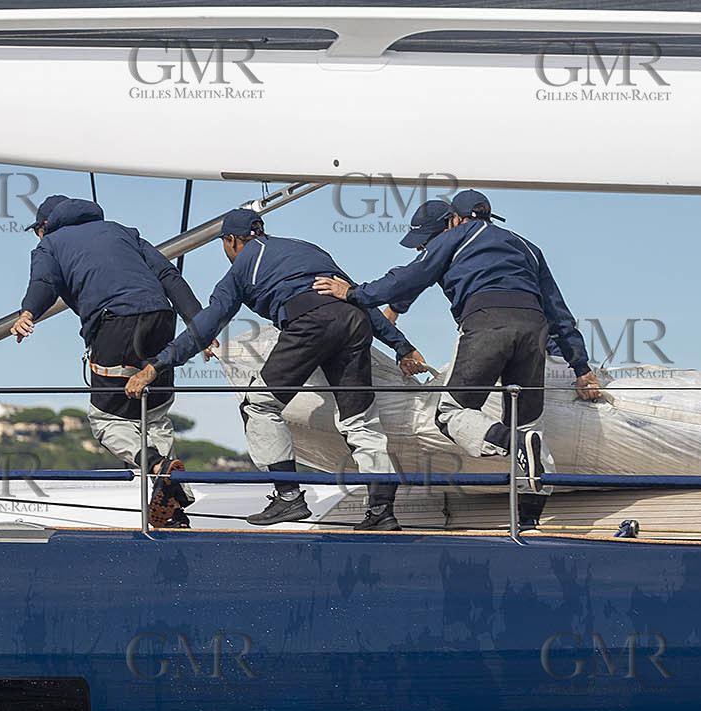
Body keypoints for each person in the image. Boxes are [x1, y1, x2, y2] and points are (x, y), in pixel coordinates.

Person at [312, 190, 602, 527]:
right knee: (529, 426)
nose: (424, 247)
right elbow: (560, 314)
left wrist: (353, 293)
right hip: (534, 328)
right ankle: (528, 521)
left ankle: (514, 442)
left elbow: (411, 275)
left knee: (450, 414)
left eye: (426, 240)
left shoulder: (457, 234)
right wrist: (582, 369)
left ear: (454, 220)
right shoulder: (527, 248)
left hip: (486, 322)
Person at [125, 208, 421, 531]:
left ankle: (288, 496)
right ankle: (381, 510)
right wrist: (401, 346)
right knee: (359, 421)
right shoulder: (308, 250)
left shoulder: (243, 266)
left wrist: (159, 364)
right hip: (354, 323)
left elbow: (207, 323)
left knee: (259, 403)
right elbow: (355, 298)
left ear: (231, 240)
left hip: (311, 324)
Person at [9, 193, 205, 528]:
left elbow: (44, 282)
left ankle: (157, 467)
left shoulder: (51, 244)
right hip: (162, 319)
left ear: (45, 225)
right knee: (154, 415)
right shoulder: (122, 231)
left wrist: (28, 312)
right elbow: (168, 276)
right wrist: (200, 325)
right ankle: (172, 504)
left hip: (117, 325)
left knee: (106, 420)